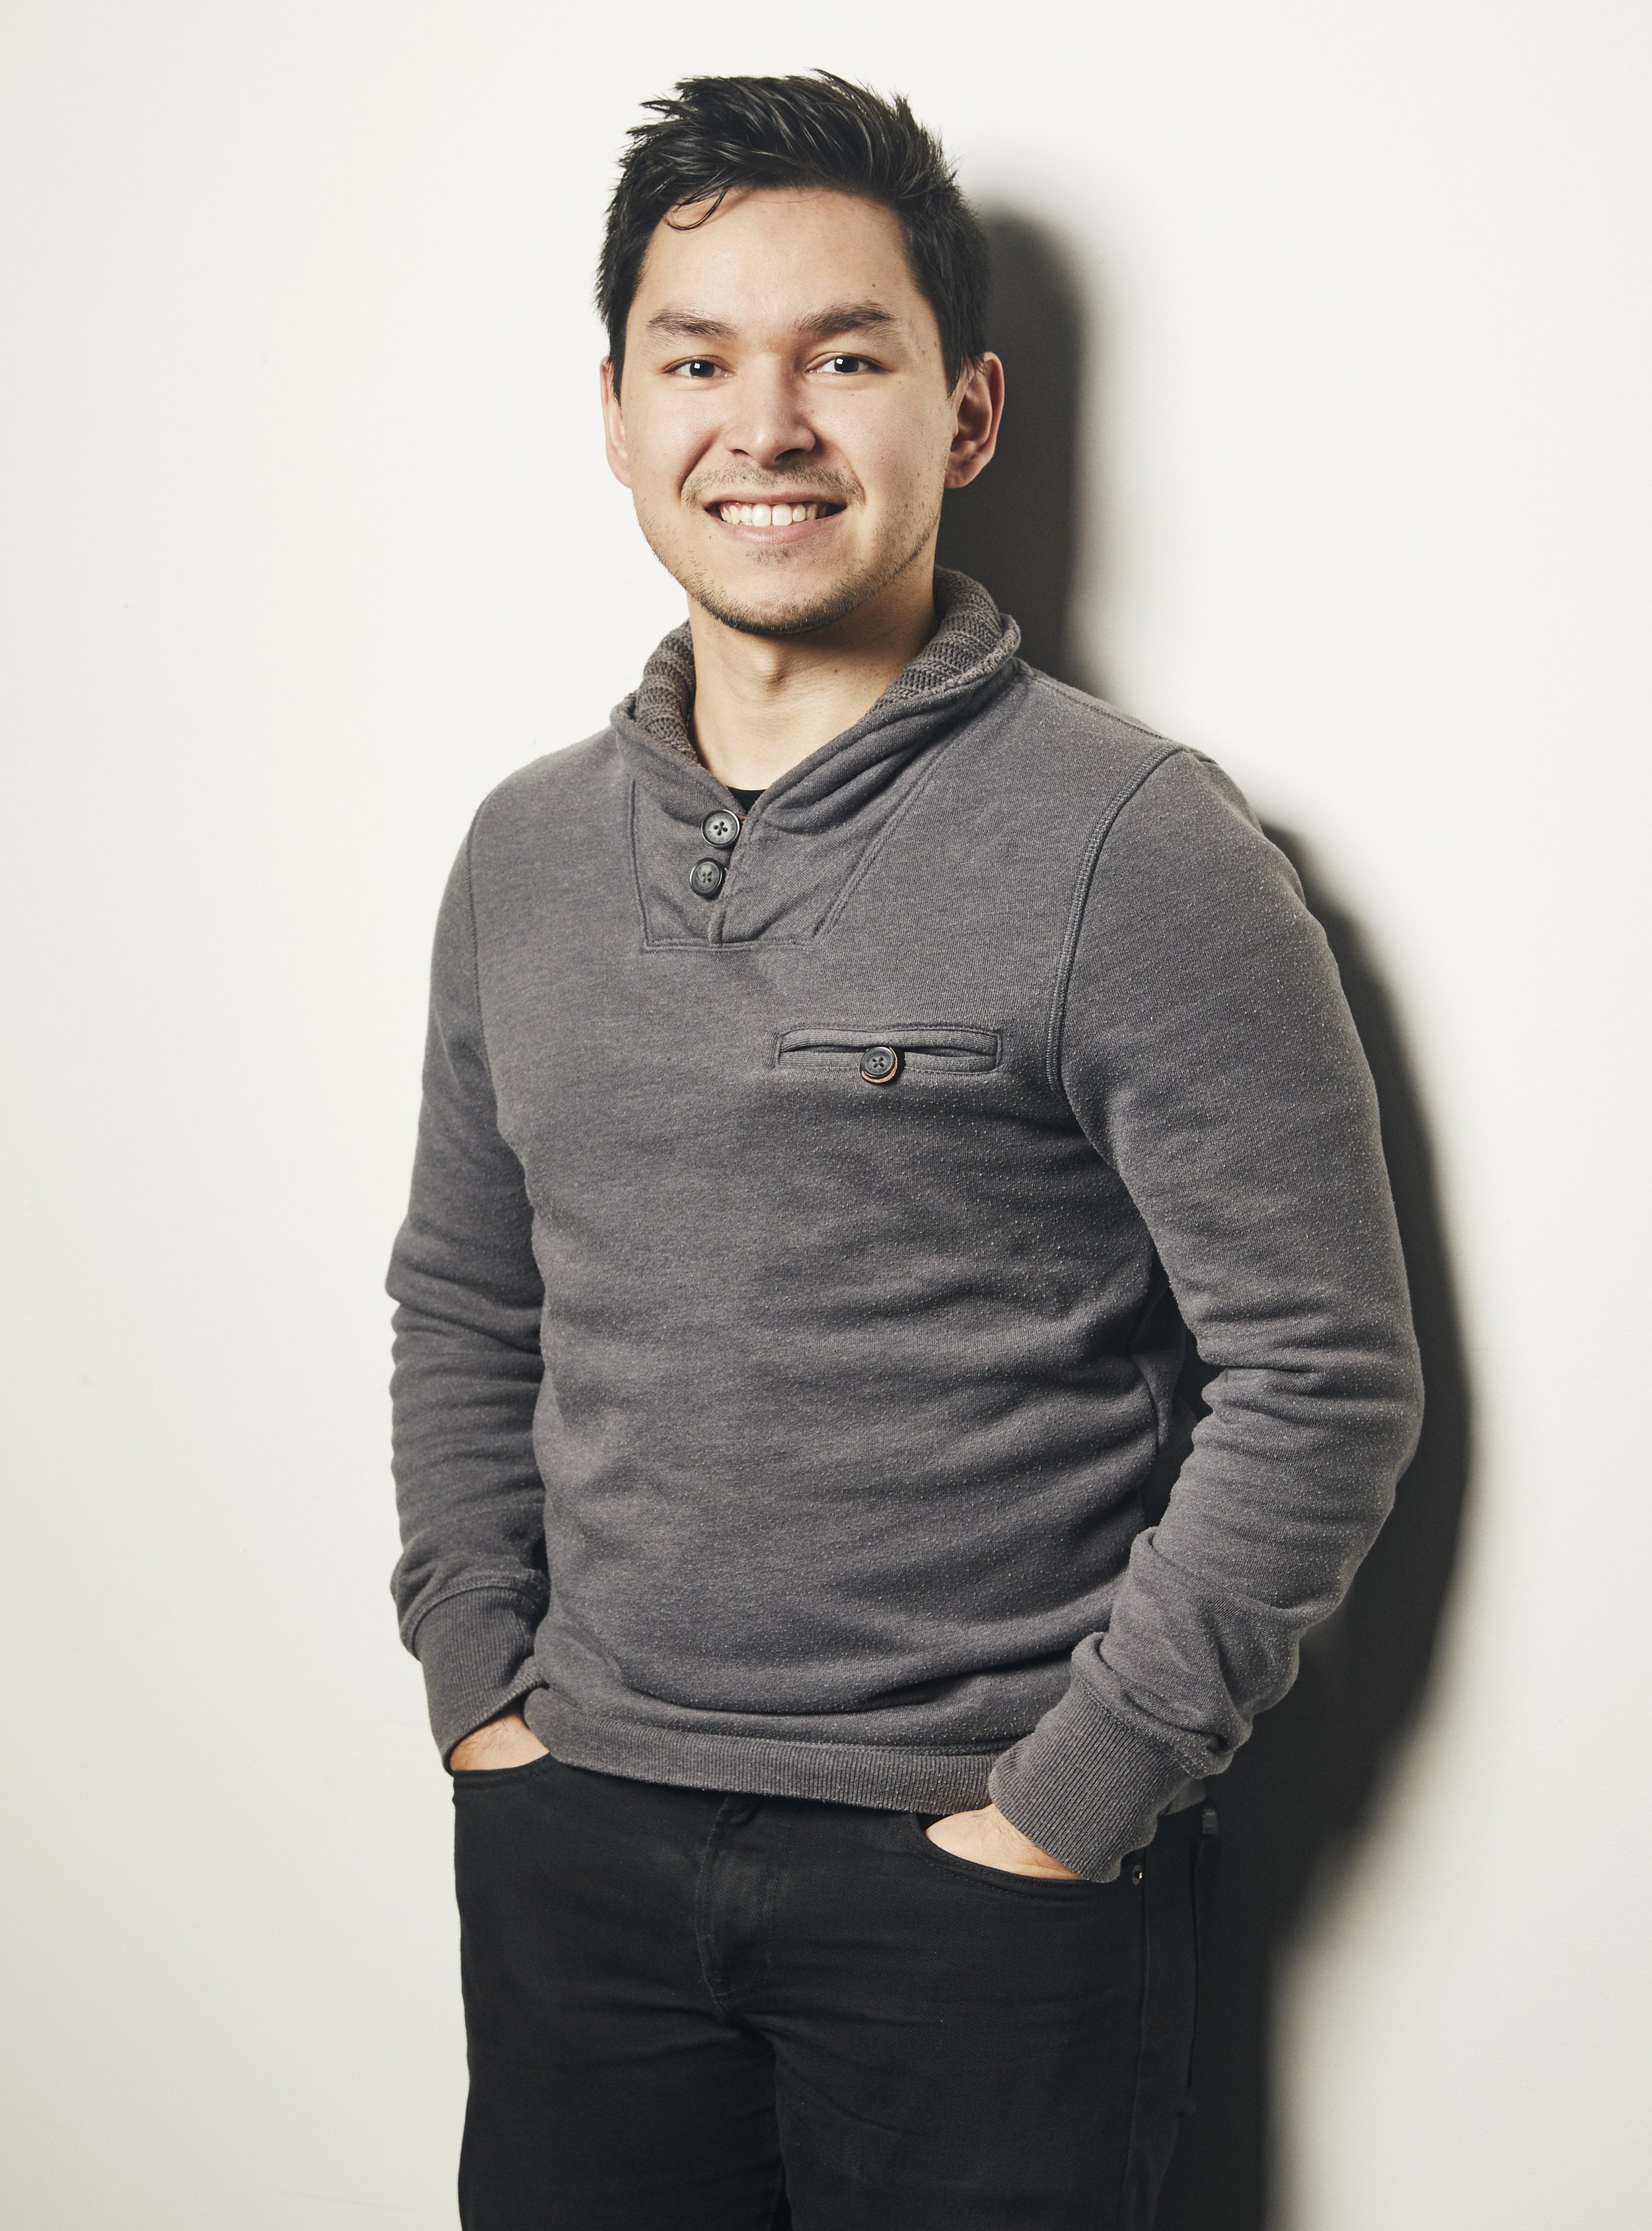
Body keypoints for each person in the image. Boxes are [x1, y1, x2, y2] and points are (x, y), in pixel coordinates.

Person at [387, 71, 1423, 2231]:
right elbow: (471, 1299)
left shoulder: (1135, 847)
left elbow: (1322, 1379)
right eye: (699, 360)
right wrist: (481, 1690)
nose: (762, 424)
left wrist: (1067, 1807)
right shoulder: (521, 854)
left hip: (978, 1890)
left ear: (961, 417)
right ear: (615, 410)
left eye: (840, 356)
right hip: (577, 1837)